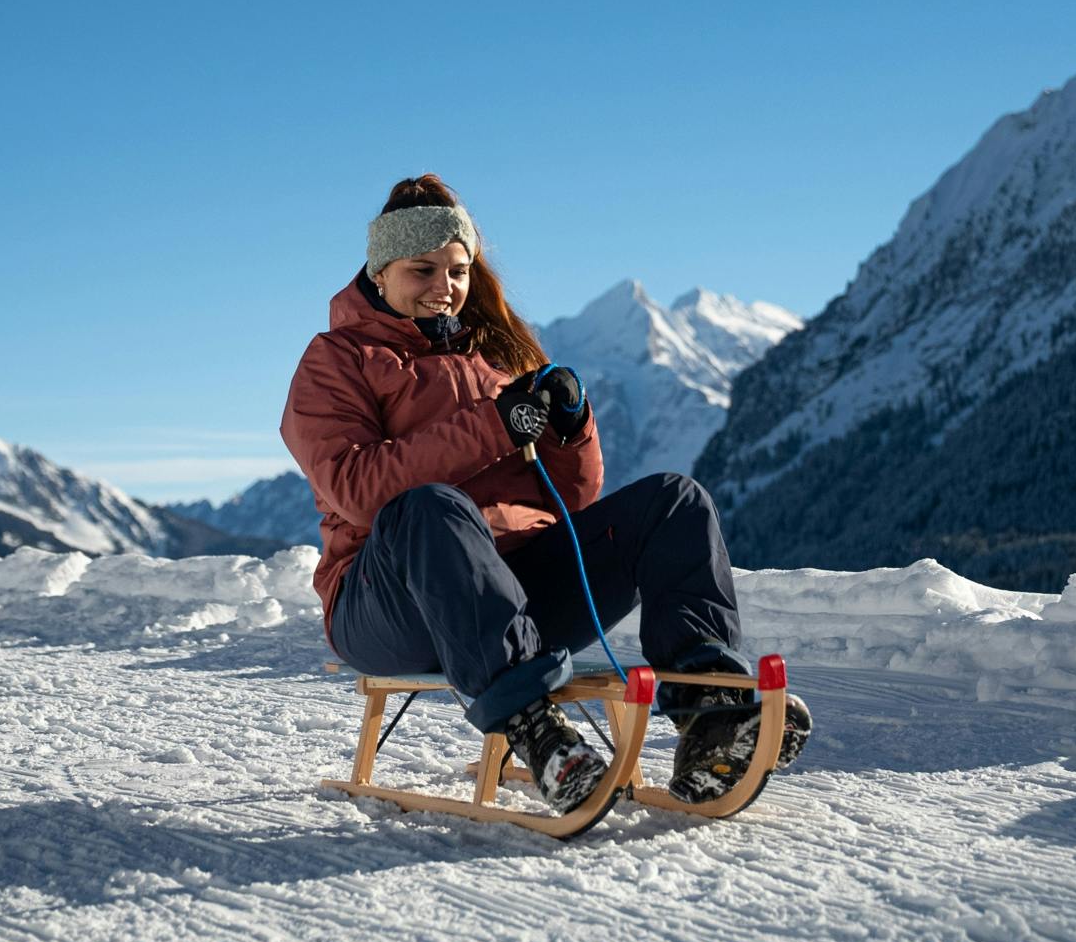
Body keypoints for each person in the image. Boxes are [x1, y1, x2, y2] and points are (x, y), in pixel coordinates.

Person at [280, 174, 809, 814]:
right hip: (388, 601)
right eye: (423, 270)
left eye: (458, 271)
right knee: (433, 507)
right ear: (381, 272)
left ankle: (712, 716)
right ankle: (537, 732)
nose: (443, 289)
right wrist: (494, 424)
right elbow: (356, 490)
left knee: (673, 501)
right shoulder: (335, 361)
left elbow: (573, 500)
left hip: (514, 594)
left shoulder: (493, 358)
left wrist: (569, 426)